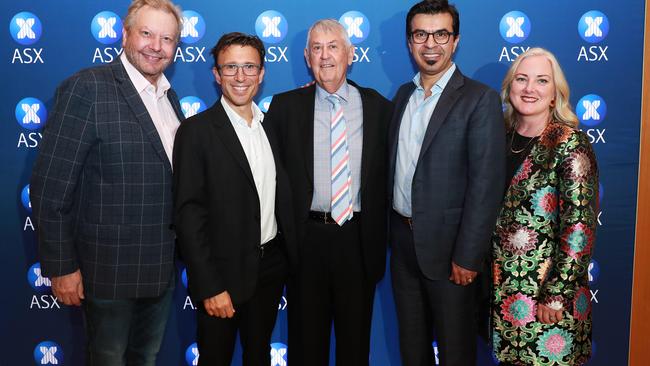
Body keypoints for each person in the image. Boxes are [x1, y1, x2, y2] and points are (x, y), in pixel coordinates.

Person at [30, 0, 184, 364]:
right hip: (107, 271)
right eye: (146, 33)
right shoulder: (88, 88)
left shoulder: (168, 97)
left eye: (167, 38)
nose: (156, 46)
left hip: (159, 269)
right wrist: (62, 266)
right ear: (125, 34)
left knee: (145, 358)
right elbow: (51, 186)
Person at [264, 19, 392, 366]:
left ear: (350, 54)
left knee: (355, 347)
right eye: (317, 48)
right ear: (307, 57)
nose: (325, 56)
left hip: (358, 241)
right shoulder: (284, 108)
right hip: (306, 242)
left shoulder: (380, 108)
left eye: (333, 46)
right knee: (306, 348)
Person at [388, 0, 506, 365]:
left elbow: (486, 185)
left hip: (452, 253)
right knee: (412, 349)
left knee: (455, 352)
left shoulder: (479, 99)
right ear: (409, 42)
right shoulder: (403, 96)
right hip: (403, 245)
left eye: (441, 34)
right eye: (421, 34)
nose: (430, 44)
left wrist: (468, 256)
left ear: (455, 41)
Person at [173, 32, 298, 366]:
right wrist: (209, 286)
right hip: (221, 276)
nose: (240, 77)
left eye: (249, 67)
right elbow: (188, 216)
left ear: (261, 74)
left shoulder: (270, 126)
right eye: (231, 68)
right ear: (216, 74)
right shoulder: (196, 132)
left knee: (258, 356)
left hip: (269, 270)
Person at [491, 47, 597, 365]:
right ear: (510, 88)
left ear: (554, 94)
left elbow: (579, 226)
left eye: (541, 81)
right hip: (506, 298)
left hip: (548, 303)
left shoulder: (570, 143)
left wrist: (557, 291)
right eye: (521, 79)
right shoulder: (501, 137)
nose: (529, 88)